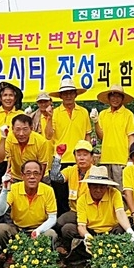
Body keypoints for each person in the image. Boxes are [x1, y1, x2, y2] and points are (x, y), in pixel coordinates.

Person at [60, 165, 134, 256]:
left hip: (111, 231)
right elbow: (81, 225)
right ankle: (88, 252)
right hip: (92, 231)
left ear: (107, 186)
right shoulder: (82, 199)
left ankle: (110, 252)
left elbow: (120, 212)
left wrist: (130, 231)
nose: (98, 190)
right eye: (95, 186)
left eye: (102, 187)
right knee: (67, 229)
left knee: (122, 229)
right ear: (89, 186)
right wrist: (87, 236)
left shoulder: (114, 193)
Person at [0, 160, 57, 266]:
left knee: (51, 234)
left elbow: (52, 218)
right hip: (18, 230)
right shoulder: (14, 188)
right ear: (22, 176)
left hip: (38, 230)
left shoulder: (48, 190)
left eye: (36, 173)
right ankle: (11, 255)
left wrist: (38, 231)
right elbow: (0, 212)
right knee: (1, 229)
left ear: (41, 175)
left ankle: (42, 258)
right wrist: (5, 189)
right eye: (28, 173)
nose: (32, 177)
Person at [46, 78, 92, 214]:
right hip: (60, 159)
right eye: (65, 93)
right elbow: (48, 135)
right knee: (60, 195)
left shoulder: (83, 112)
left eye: (71, 92)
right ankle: (61, 224)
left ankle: (81, 220)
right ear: (60, 96)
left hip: (80, 159)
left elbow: (87, 134)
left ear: (75, 94)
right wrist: (48, 118)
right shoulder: (54, 113)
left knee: (81, 192)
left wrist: (90, 155)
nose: (68, 95)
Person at [50, 140, 95, 251]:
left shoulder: (97, 171)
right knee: (60, 223)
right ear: (74, 157)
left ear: (92, 157)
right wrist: (58, 156)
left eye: (85, 155)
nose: (81, 158)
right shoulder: (71, 170)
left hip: (92, 211)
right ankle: (69, 245)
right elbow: (55, 177)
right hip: (75, 211)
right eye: (78, 155)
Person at [92, 84, 134, 187]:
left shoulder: (128, 114)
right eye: (113, 96)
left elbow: (131, 137)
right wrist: (95, 122)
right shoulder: (103, 114)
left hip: (121, 159)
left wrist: (131, 157)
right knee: (107, 191)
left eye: (118, 96)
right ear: (108, 97)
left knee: (122, 190)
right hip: (105, 159)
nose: (115, 99)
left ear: (122, 98)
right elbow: (101, 136)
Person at [0, 114, 48, 181]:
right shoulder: (9, 137)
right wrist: (3, 137)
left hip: (38, 175)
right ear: (12, 129)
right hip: (17, 176)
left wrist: (37, 181)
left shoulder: (41, 141)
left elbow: (43, 163)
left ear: (31, 129)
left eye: (25, 129)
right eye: (17, 129)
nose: (21, 134)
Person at [29, 92, 54, 180]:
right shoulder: (32, 118)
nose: (43, 104)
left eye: (45, 101)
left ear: (50, 101)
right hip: (38, 156)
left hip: (54, 154)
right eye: (40, 102)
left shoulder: (56, 115)